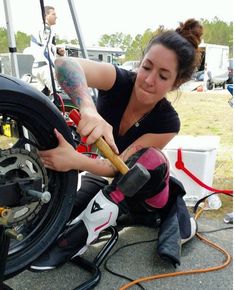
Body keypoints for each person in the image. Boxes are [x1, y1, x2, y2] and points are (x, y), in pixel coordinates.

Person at [30, 19, 203, 271]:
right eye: (146, 67)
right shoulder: (119, 80)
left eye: (163, 76)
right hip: (104, 181)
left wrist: (74, 160)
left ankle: (79, 236)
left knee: (150, 159)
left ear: (175, 83)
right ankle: (83, 221)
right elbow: (65, 64)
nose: (148, 79)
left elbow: (122, 168)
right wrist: (87, 108)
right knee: (57, 213)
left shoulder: (168, 121)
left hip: (146, 197)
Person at [30, 5, 65, 96]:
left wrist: (57, 51)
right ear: (46, 15)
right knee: (57, 96)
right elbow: (45, 52)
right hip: (45, 67)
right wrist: (55, 68)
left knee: (41, 97)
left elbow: (45, 47)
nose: (56, 16)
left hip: (37, 67)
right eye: (53, 14)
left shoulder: (38, 28)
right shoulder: (46, 29)